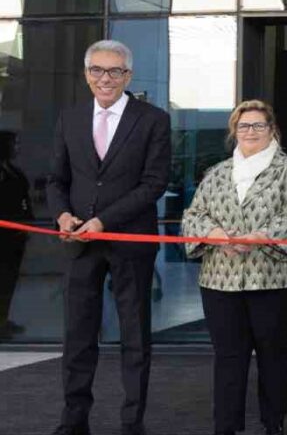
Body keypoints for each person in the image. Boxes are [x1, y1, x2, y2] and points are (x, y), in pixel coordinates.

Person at [47, 40, 171, 435]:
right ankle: (73, 421)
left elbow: (154, 183)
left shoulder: (153, 120)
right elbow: (56, 180)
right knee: (77, 336)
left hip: (131, 242)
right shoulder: (70, 118)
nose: (106, 78)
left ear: (128, 76)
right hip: (79, 246)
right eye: (97, 70)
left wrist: (102, 221)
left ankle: (132, 423)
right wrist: (62, 215)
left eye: (115, 71)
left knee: (135, 338)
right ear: (87, 74)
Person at [182, 100, 287, 435]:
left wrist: (260, 237)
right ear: (234, 131)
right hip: (220, 280)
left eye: (258, 125)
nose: (250, 131)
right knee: (228, 357)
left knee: (273, 355)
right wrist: (214, 234)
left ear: (272, 130)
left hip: (275, 281)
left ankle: (273, 424)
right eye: (243, 126)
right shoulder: (217, 172)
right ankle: (225, 426)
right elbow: (193, 215)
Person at [0, 131, 32, 340]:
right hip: (3, 236)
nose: (18, 147)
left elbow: (23, 199)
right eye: (15, 143)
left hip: (14, 238)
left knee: (9, 281)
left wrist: (28, 223)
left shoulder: (13, 171)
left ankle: (2, 320)